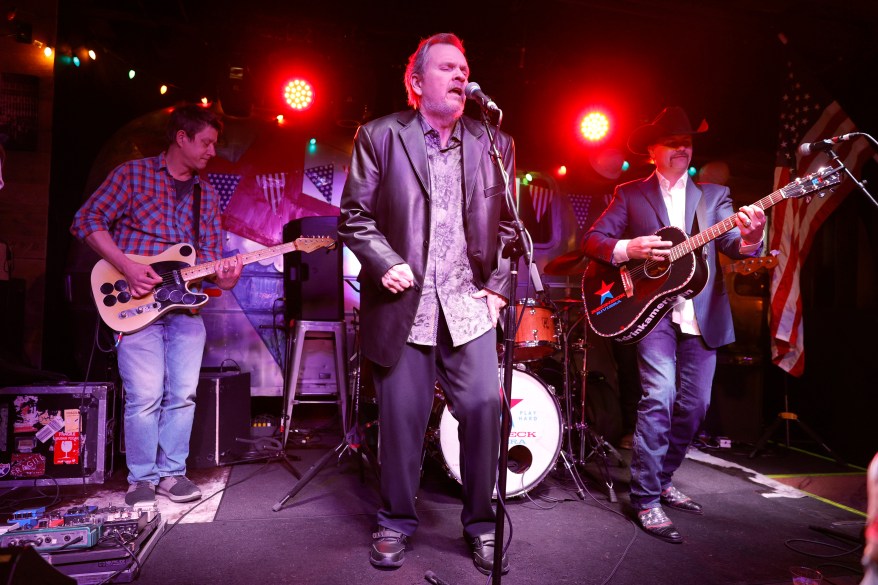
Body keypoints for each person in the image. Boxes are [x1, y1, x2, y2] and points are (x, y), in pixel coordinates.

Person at [338, 32, 515, 575]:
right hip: (404, 307)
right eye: (447, 68)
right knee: (401, 419)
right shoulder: (380, 136)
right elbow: (354, 217)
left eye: (465, 68)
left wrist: (498, 287)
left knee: (486, 407)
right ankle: (394, 521)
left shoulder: (492, 142)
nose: (461, 76)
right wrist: (383, 259)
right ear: (416, 83)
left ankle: (483, 525)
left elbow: (510, 227)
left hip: (467, 303)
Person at [581, 106, 766, 543]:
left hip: (701, 314)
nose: (683, 147)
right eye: (672, 141)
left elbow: (736, 247)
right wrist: (630, 248)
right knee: (659, 396)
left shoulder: (715, 194)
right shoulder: (629, 194)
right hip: (653, 313)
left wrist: (753, 236)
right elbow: (593, 241)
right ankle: (645, 500)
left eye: (687, 140)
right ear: (651, 150)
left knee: (695, 406)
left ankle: (661, 478)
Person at [70, 104, 242, 506]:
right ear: (181, 137)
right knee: (144, 396)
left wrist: (225, 277)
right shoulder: (133, 175)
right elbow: (86, 221)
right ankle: (141, 478)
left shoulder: (208, 193)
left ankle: (173, 474)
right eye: (205, 142)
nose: (211, 151)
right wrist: (127, 266)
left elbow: (211, 258)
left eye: (214, 143)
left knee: (182, 395)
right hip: (135, 303)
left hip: (185, 310)